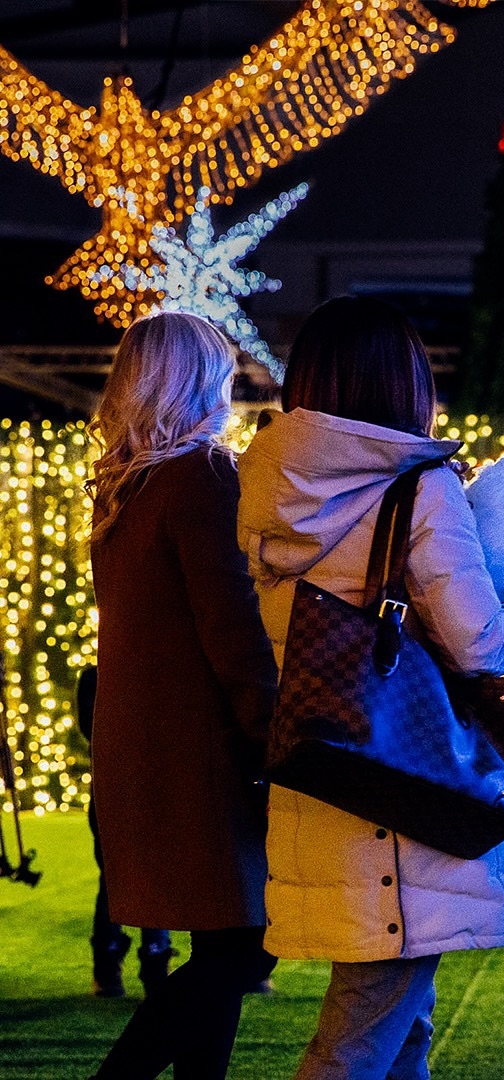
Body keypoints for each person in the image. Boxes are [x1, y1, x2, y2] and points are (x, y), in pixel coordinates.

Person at [236, 294, 504, 1080]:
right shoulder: (421, 490)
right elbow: (477, 644)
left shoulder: (266, 483)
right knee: (357, 1042)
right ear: (402, 385)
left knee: (401, 1028)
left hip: (322, 774)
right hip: (404, 803)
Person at [85, 310, 280, 1080]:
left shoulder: (122, 487)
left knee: (223, 941)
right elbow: (230, 626)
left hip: (145, 741)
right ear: (200, 382)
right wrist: (275, 733)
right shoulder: (201, 476)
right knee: (246, 940)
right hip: (203, 751)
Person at [76, 664, 173, 999]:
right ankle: (154, 964)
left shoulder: (97, 678)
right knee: (150, 879)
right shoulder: (156, 676)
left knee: (113, 882)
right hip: (143, 790)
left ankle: (110, 968)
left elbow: (92, 729)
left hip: (113, 792)